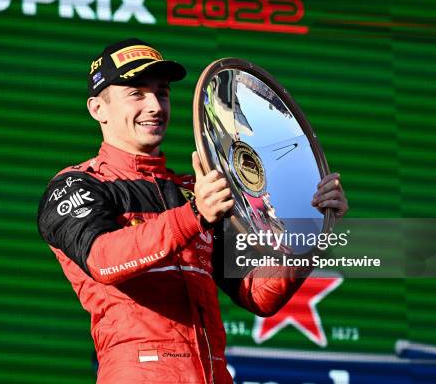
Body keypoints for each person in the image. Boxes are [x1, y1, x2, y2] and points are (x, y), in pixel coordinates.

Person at [37, 38, 349, 383]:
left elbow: (257, 294)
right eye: (136, 94)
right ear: (98, 109)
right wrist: (194, 215)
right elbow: (103, 260)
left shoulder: (193, 189)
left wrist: (310, 229)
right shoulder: (78, 185)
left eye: (163, 92)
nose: (155, 105)